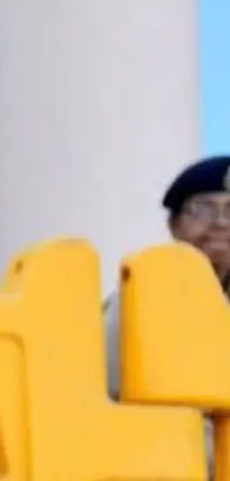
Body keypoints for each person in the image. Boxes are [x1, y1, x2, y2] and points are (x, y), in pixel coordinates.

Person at [103, 155, 229, 468]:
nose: (221, 222)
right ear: (174, 225)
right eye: (204, 209)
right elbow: (104, 391)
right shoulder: (141, 299)